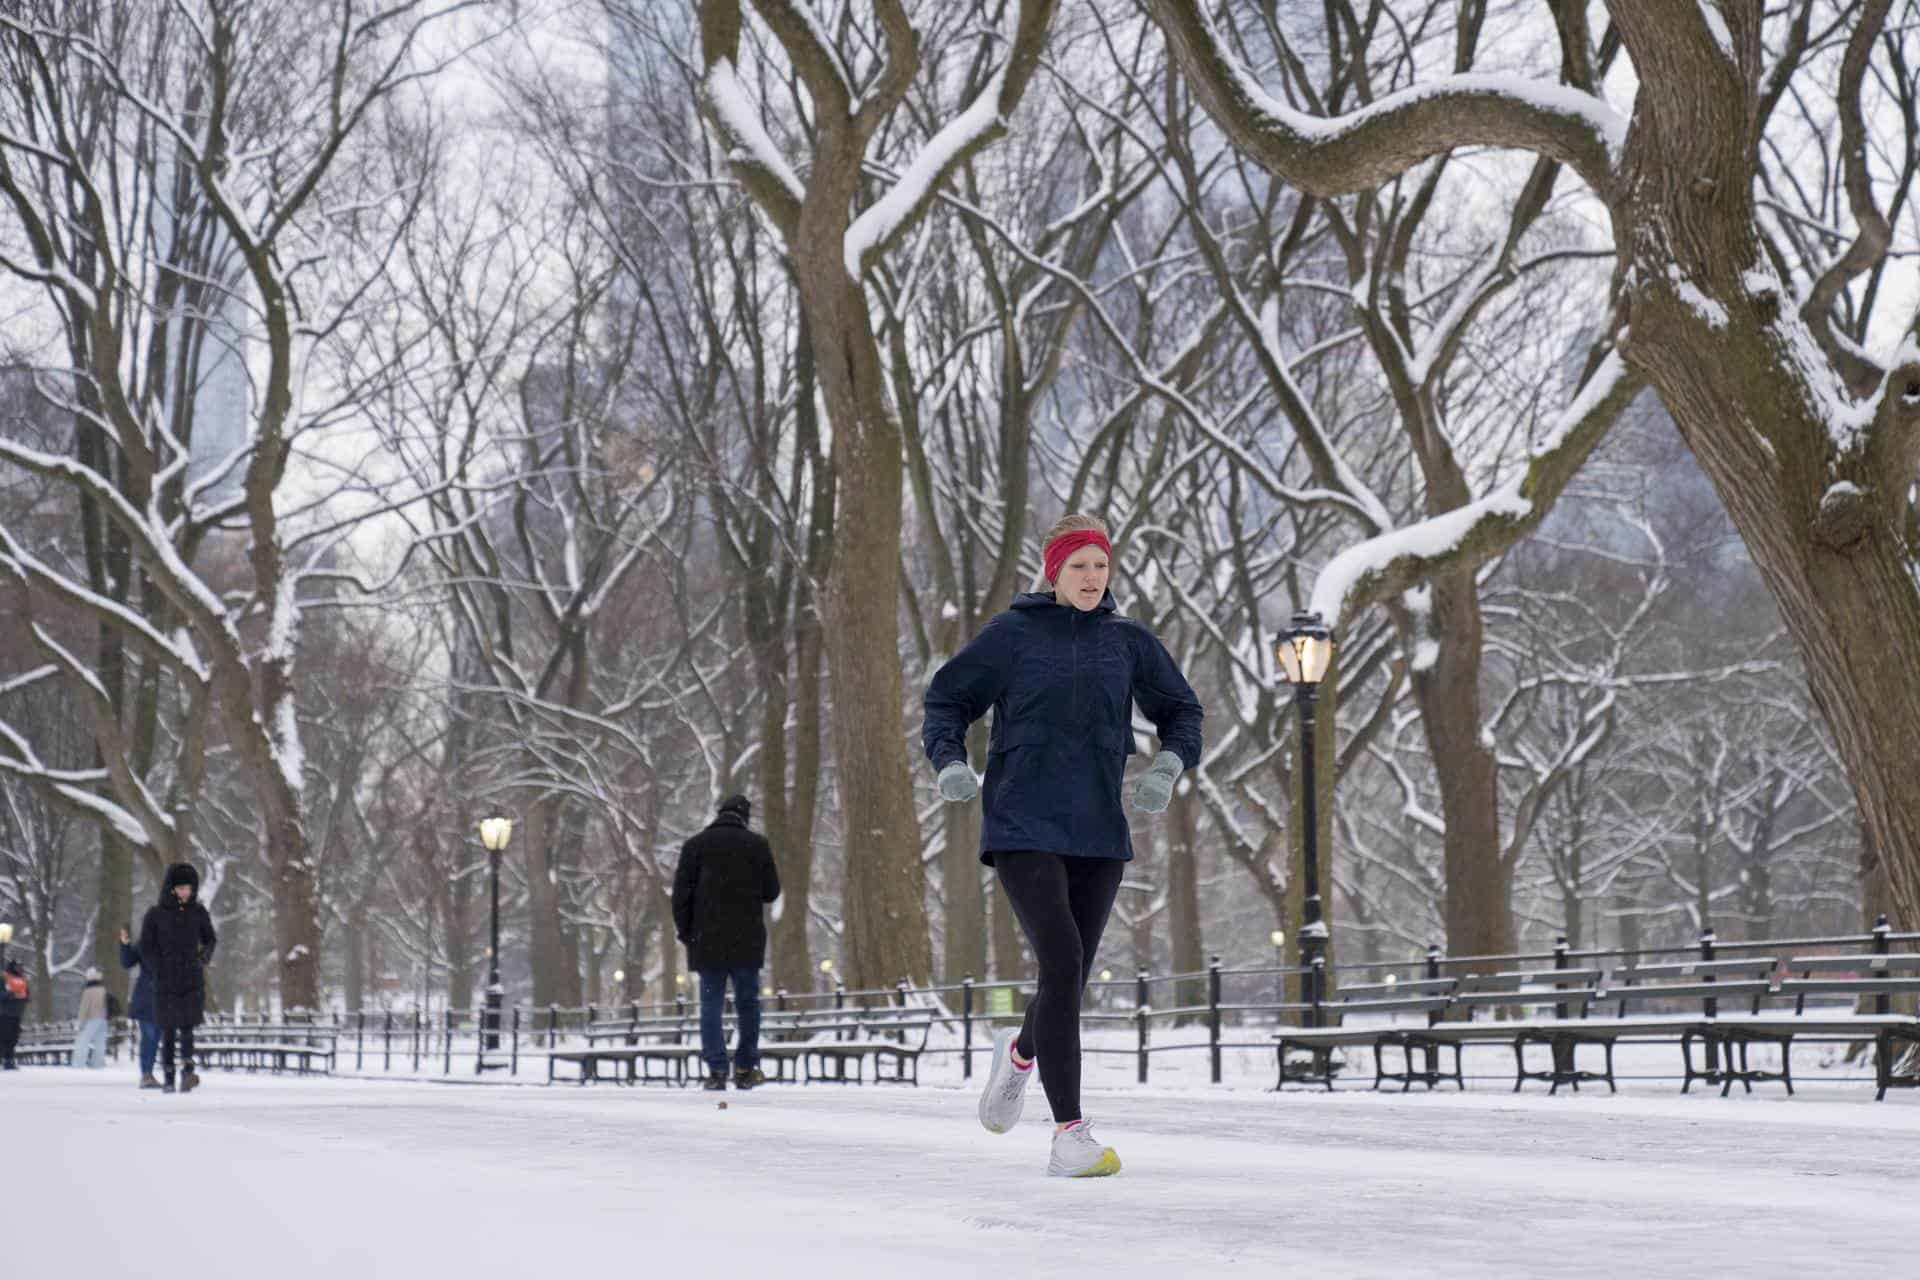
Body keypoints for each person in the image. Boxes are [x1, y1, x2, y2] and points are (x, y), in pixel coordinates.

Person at [923, 513, 1202, 1177]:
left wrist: (1168, 765)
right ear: (1053, 570)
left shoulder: (1128, 640)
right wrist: (950, 763)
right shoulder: (1013, 635)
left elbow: (1183, 711)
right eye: (1078, 565)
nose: (1091, 577)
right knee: (1064, 955)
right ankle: (1069, 1135)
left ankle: (1020, 1056)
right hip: (1022, 820)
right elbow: (947, 700)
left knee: (1065, 975)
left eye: (1100, 565)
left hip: (1100, 830)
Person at [671, 794, 781, 1091]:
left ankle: (717, 1070)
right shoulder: (756, 845)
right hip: (746, 942)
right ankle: (745, 1066)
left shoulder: (695, 846)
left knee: (711, 1004)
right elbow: (772, 891)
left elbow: (680, 896)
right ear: (744, 816)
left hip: (706, 943)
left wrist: (687, 933)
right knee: (748, 1004)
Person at [138, 862, 216, 1094]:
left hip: (191, 977)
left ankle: (188, 1072)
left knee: (188, 1027)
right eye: (181, 888)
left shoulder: (198, 912)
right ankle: (169, 1076)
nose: (185, 892)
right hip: (166, 979)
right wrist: (156, 967)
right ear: (172, 888)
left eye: (189, 888)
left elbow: (210, 939)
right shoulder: (156, 914)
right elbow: (146, 946)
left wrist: (203, 958)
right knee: (169, 1029)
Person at [118, 925, 161, 1087]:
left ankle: (148, 1072)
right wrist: (125, 944)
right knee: (149, 1036)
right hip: (146, 997)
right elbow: (127, 962)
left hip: (163, 998)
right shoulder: (144, 944)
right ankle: (146, 1074)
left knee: (155, 1038)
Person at [69, 968, 110, 1068]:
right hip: (104, 1019)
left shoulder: (88, 990)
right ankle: (98, 1064)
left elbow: (84, 1007)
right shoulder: (103, 989)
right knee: (100, 1042)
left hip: (92, 1018)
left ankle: (78, 1063)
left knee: (82, 1041)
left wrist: (81, 1021)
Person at [0, 960, 27, 1070]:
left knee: (14, 1038)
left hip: (16, 1013)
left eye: (21, 967)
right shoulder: (3, 979)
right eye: (18, 967)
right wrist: (11, 995)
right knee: (5, 1038)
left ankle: (9, 1060)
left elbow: (26, 993)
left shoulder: (22, 980)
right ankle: (7, 1060)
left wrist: (25, 997)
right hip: (4, 1014)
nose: (20, 969)